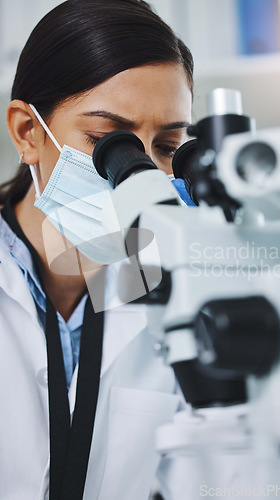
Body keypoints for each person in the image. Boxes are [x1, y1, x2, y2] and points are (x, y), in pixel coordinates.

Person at [0, 1, 195, 498]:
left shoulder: (180, 290)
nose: (142, 177)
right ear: (28, 133)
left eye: (168, 148)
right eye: (109, 141)